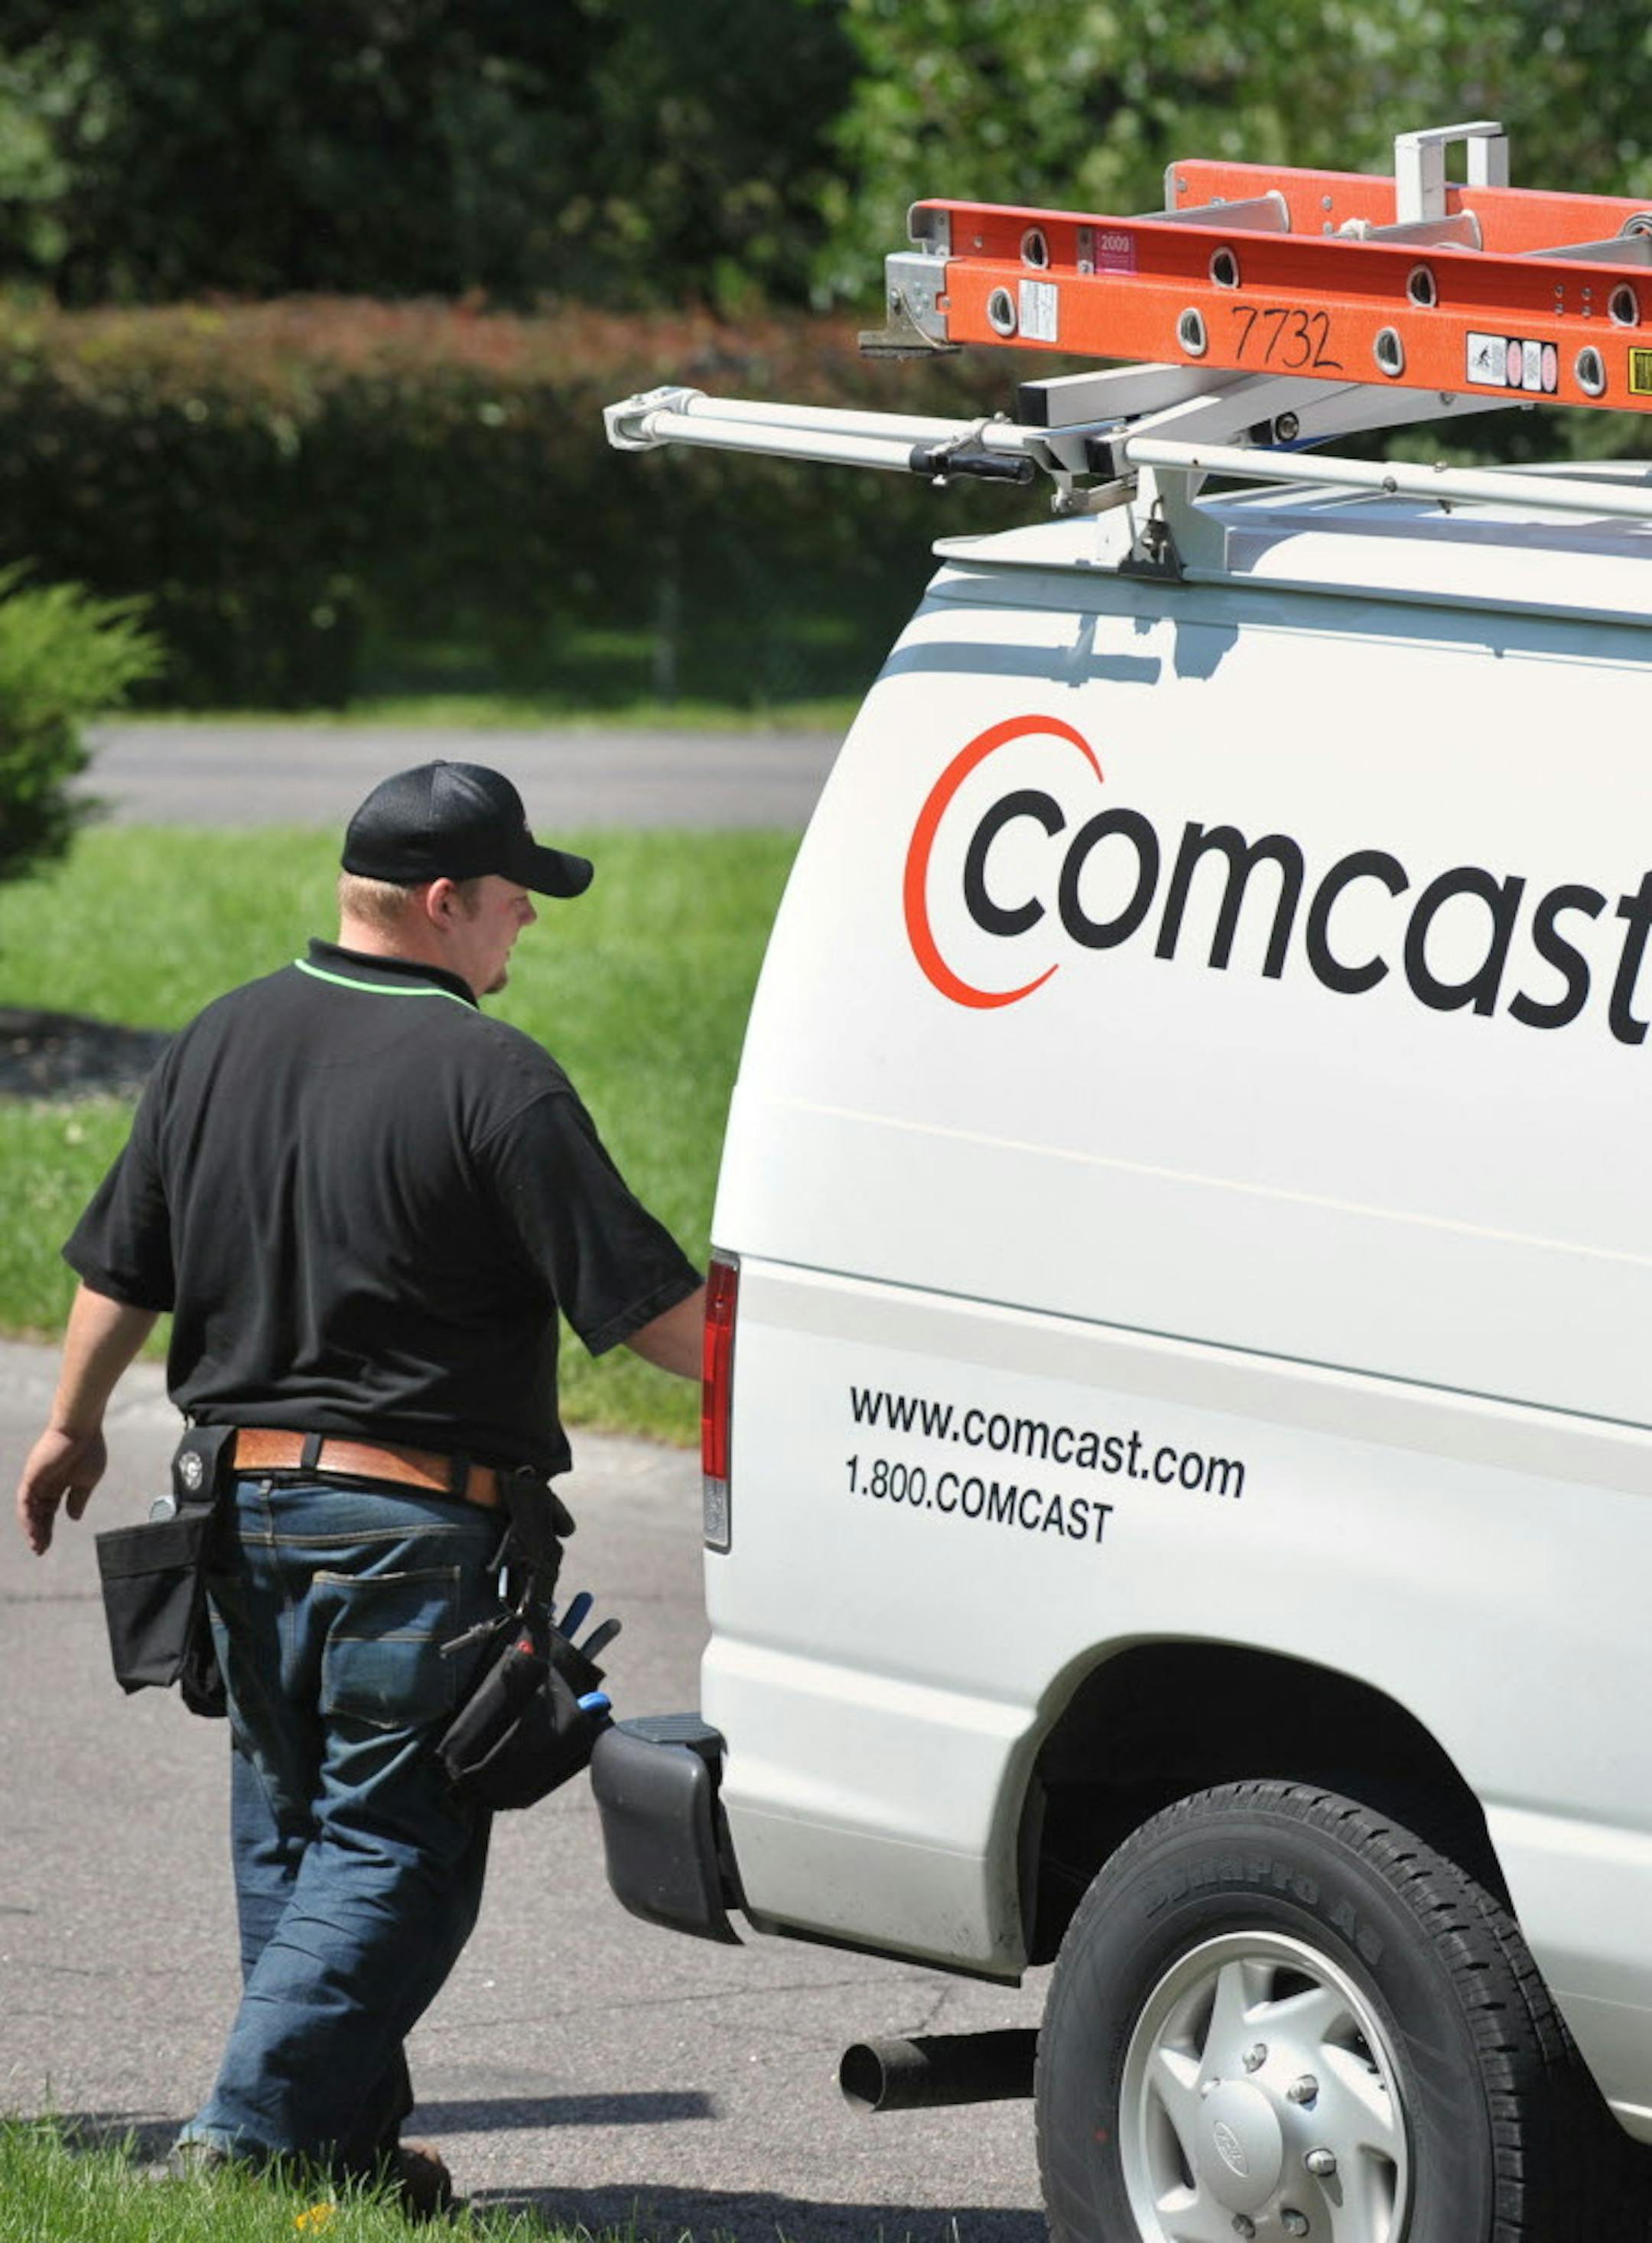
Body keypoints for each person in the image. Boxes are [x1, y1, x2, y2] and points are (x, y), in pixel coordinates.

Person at [14, 760, 705, 2210]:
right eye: (515, 901)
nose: (526, 928)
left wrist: (69, 1426)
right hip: (406, 1531)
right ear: (445, 904)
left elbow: (115, 1270)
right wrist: (815, 1380)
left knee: (292, 1834)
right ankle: (241, 2148)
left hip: (233, 1512)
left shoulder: (218, 1039)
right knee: (400, 1849)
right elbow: (649, 1314)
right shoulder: (493, 1078)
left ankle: (335, 2160)